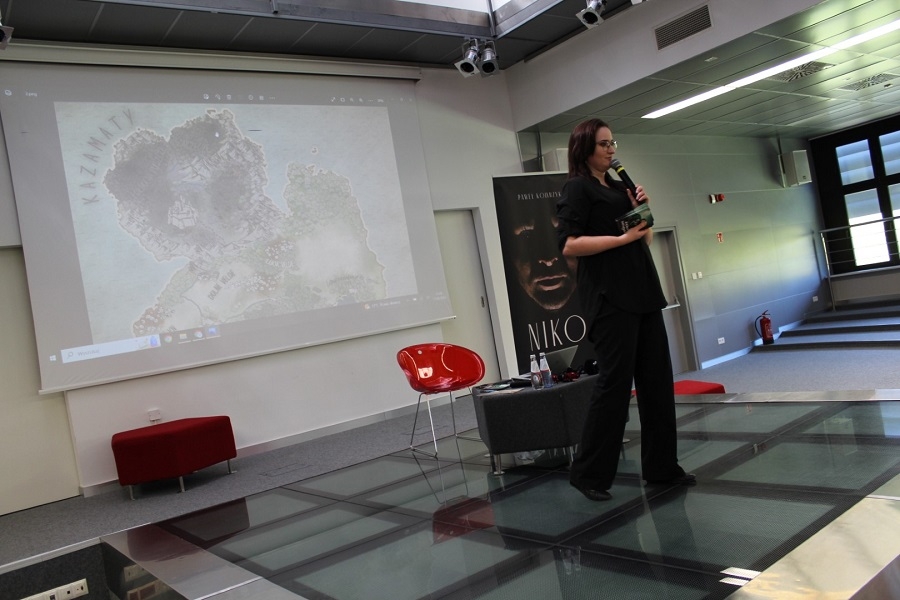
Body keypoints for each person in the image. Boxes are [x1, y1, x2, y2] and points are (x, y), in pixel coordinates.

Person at [555, 118, 694, 501]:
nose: (611, 149)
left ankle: (662, 468)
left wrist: (640, 209)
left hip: (643, 291)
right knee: (614, 386)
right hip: (610, 298)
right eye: (603, 144)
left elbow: (644, 239)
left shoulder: (620, 187)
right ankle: (589, 475)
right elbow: (569, 245)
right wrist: (621, 238)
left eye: (613, 142)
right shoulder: (577, 188)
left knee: (657, 383)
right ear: (585, 147)